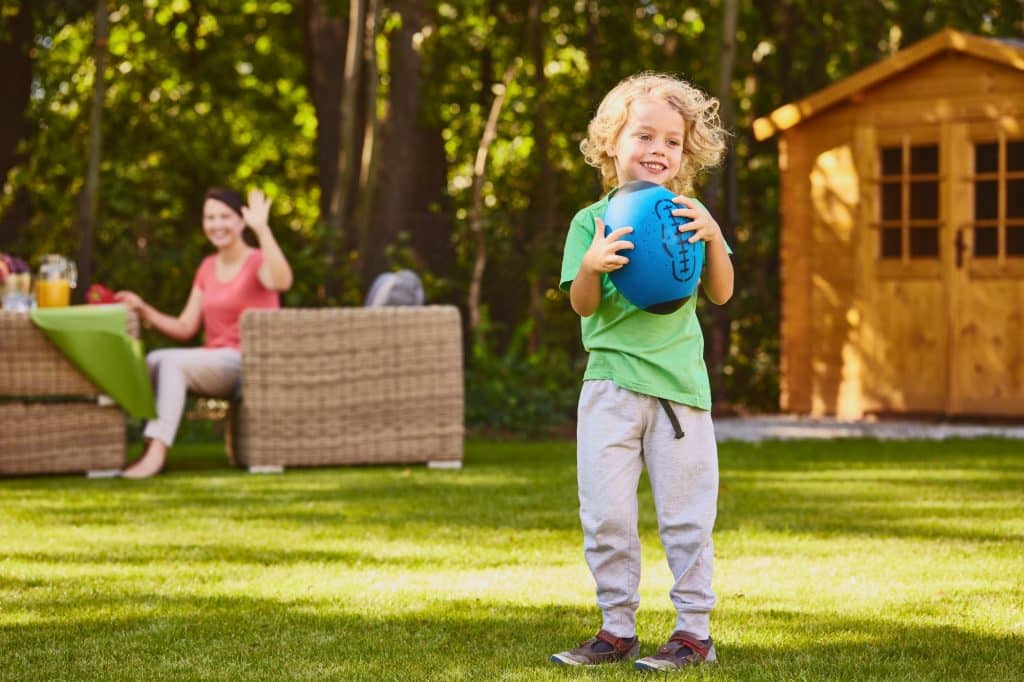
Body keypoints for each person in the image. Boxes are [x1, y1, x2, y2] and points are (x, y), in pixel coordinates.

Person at [550, 73, 731, 671]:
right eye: (644, 135)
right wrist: (593, 265)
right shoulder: (589, 221)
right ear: (611, 143)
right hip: (608, 389)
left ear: (686, 152)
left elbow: (722, 293)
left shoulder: (691, 212)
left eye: (673, 141)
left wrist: (715, 236)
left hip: (679, 392)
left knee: (685, 515)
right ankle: (616, 627)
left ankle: (692, 633)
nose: (659, 149)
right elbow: (581, 305)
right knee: (606, 514)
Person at [115, 187, 293, 479]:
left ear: (241, 221)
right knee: (154, 360)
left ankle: (157, 454)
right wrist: (144, 309)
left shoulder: (257, 261)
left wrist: (263, 230)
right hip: (215, 361)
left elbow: (283, 280)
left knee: (172, 363)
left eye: (225, 216)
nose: (216, 224)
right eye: (210, 217)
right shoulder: (208, 267)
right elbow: (185, 327)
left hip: (248, 363)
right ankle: (147, 443)